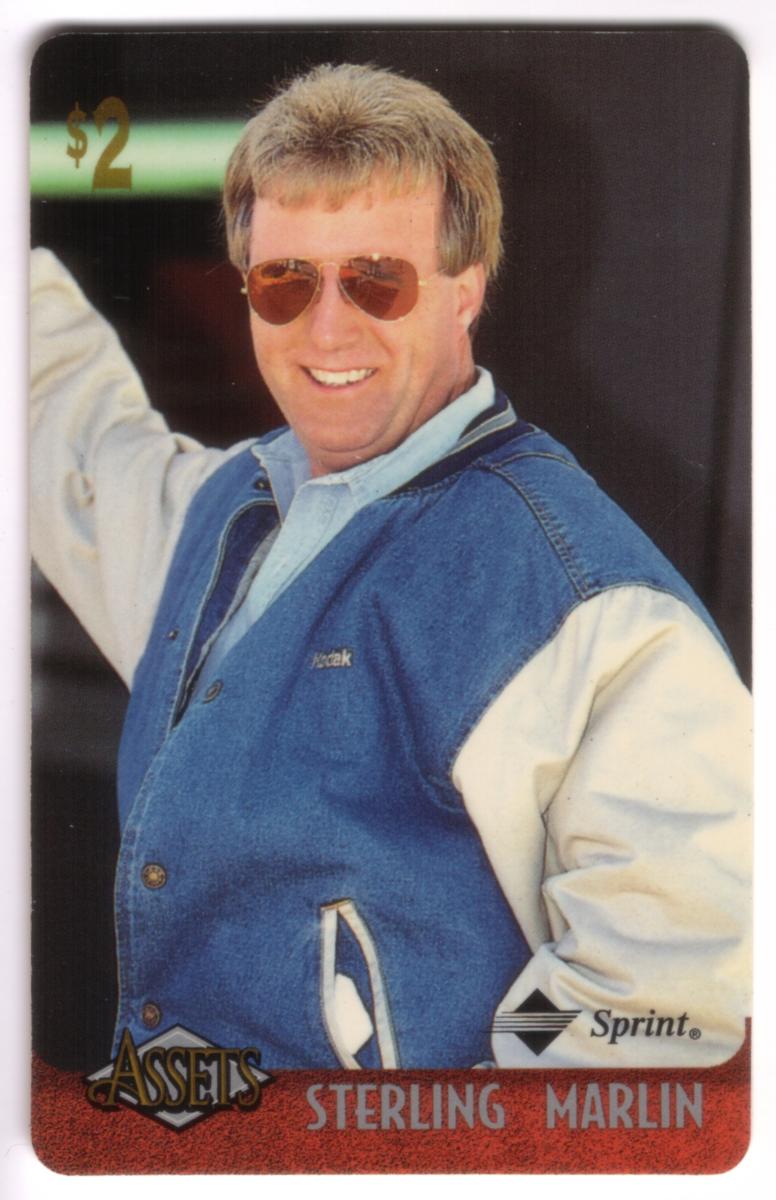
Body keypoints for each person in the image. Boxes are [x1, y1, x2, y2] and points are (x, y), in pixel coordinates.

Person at [30, 62, 750, 1071]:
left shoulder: (589, 601)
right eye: (285, 282)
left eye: (376, 279)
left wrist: (458, 1096)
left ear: (465, 292)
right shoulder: (223, 515)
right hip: (175, 1131)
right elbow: (58, 420)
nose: (327, 328)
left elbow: (664, 1000)